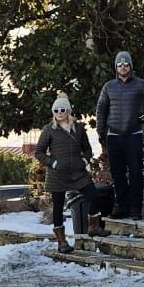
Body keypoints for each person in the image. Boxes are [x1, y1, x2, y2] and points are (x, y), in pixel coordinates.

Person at [95, 53, 144, 222]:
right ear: (116, 68)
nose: (123, 67)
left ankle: (135, 209)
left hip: (133, 135)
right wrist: (100, 130)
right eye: (120, 65)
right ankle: (122, 207)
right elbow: (101, 108)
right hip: (114, 136)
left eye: (126, 64)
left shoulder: (140, 84)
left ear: (131, 66)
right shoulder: (109, 86)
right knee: (117, 174)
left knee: (135, 173)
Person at [34, 94, 105, 252]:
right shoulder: (49, 129)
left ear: (68, 111)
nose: (59, 112)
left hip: (78, 172)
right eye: (56, 110)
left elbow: (87, 148)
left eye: (62, 109)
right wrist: (53, 162)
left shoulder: (78, 128)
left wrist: (85, 161)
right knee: (58, 207)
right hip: (57, 174)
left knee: (94, 196)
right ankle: (61, 242)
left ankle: (93, 227)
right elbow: (38, 152)